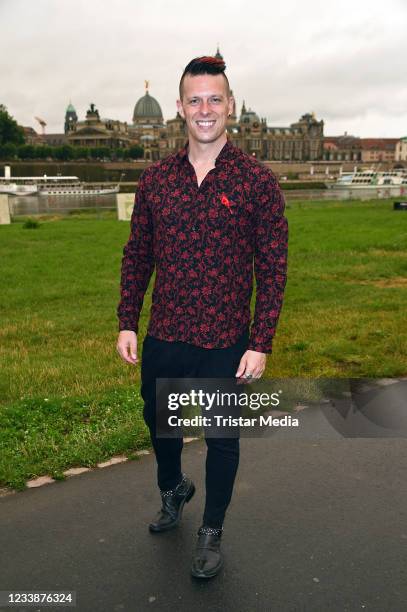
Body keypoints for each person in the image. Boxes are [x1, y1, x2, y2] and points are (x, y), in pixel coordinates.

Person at [116, 55, 288, 579]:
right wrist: (127, 320)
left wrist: (260, 341)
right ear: (180, 108)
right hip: (165, 332)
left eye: (215, 98)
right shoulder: (156, 180)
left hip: (224, 339)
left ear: (230, 106)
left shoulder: (257, 182)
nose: (205, 109)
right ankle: (174, 490)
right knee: (160, 423)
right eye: (195, 99)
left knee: (221, 438)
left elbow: (273, 267)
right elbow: (137, 254)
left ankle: (211, 528)